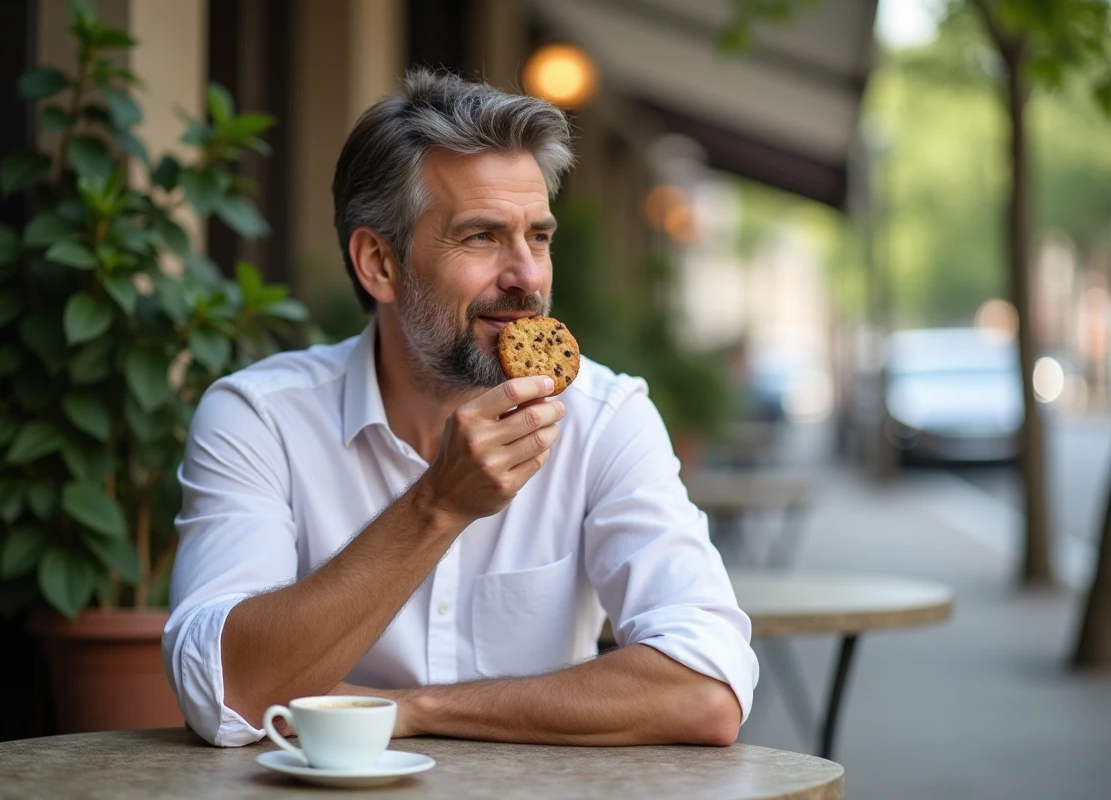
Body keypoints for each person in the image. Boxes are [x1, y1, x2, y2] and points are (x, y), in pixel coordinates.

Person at [163, 68, 758, 748]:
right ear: (379, 263)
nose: (527, 276)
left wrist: (409, 710)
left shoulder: (604, 418)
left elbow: (707, 690)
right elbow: (222, 691)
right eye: (481, 237)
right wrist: (437, 506)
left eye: (538, 236)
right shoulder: (259, 419)